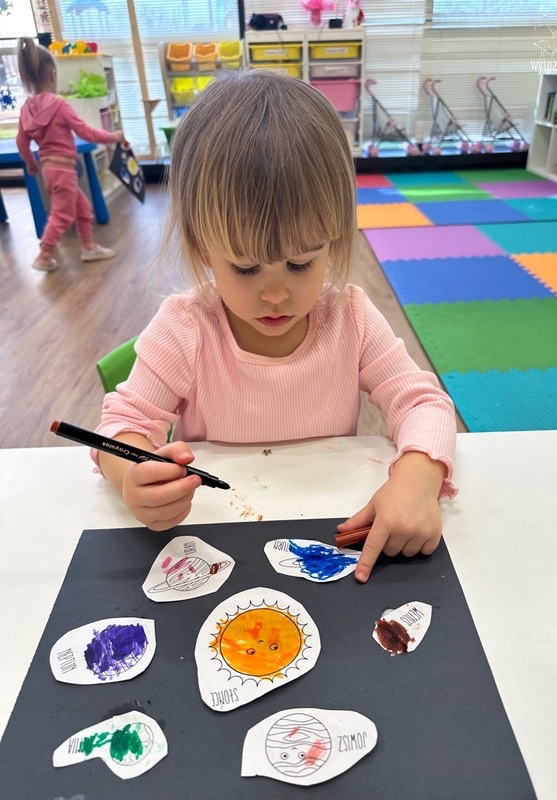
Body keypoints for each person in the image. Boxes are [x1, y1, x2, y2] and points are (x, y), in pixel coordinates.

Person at [95, 69, 458, 583]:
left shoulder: (350, 317)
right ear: (202, 247)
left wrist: (418, 478)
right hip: (217, 538)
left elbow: (423, 402)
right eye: (245, 268)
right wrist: (133, 473)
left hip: (327, 529)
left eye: (300, 263)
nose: (274, 294)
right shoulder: (185, 328)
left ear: (334, 239)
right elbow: (121, 425)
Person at [16, 37, 126, 272]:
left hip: (49, 170)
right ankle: (44, 256)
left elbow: (21, 141)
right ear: (53, 75)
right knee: (62, 215)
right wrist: (112, 137)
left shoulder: (26, 109)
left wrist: (31, 164)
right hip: (64, 171)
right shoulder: (59, 105)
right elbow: (85, 132)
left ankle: (89, 247)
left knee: (83, 208)